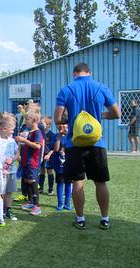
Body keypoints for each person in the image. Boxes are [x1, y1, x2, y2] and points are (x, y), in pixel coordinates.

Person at [54, 62, 120, 230]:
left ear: (74, 73)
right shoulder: (101, 87)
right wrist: (100, 115)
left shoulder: (66, 90)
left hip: (74, 143)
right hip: (97, 142)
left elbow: (58, 119)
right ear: (89, 72)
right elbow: (116, 113)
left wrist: (71, 119)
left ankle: (80, 219)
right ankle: (105, 219)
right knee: (101, 182)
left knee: (78, 182)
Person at [15, 109, 44, 216]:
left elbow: (38, 146)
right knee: (27, 181)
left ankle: (37, 206)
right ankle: (31, 202)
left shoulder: (38, 133)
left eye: (27, 119)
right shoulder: (28, 132)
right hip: (25, 162)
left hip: (33, 162)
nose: (25, 121)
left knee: (32, 181)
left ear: (34, 120)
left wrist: (24, 140)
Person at [51, 123, 72, 211]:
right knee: (60, 184)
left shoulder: (70, 136)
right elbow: (56, 149)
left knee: (68, 184)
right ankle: (60, 203)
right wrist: (59, 136)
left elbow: (72, 147)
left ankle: (67, 203)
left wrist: (67, 135)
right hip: (59, 166)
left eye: (65, 125)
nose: (62, 127)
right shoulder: (55, 136)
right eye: (61, 125)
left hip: (69, 165)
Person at [38, 116, 55, 195]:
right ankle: (40, 187)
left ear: (48, 125)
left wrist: (49, 154)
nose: (40, 124)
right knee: (42, 171)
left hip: (49, 156)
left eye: (42, 123)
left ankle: (50, 189)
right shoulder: (39, 133)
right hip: (41, 155)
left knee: (49, 171)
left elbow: (54, 148)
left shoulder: (52, 135)